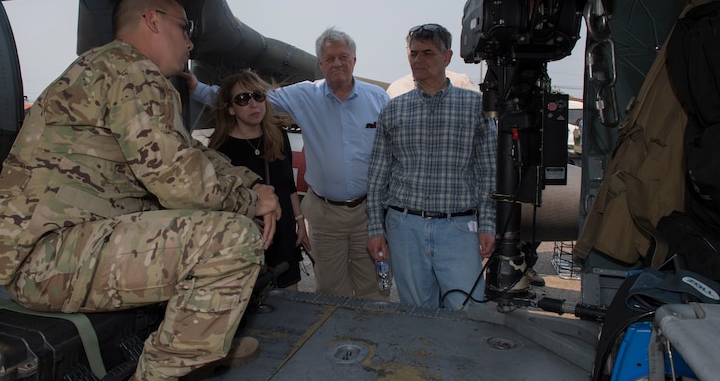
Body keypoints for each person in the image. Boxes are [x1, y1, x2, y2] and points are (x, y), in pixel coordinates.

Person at [0, 0, 281, 381]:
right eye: (186, 29)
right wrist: (251, 202)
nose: (191, 43)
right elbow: (179, 182)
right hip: (47, 258)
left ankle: (198, 347)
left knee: (197, 227)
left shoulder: (117, 69)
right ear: (153, 21)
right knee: (230, 238)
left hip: (71, 245)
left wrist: (252, 181)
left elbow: (187, 156)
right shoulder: (129, 70)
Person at [188, 27, 390, 299]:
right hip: (326, 215)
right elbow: (244, 98)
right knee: (330, 294)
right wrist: (194, 87)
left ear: (354, 59)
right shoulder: (304, 96)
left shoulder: (378, 99)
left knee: (374, 291)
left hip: (368, 214)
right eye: (329, 58)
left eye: (343, 56)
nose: (337, 63)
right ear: (320, 64)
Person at [366, 23, 497, 310]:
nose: (418, 60)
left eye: (427, 52)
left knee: (467, 312)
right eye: (413, 53)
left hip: (459, 229)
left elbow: (488, 173)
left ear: (447, 57)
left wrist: (487, 224)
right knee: (416, 314)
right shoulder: (393, 109)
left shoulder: (476, 107)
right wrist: (376, 228)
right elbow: (377, 177)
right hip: (405, 228)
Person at [209, 70, 311, 289]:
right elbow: (217, 199)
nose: (253, 104)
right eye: (243, 99)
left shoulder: (278, 136)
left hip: (283, 233)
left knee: (290, 303)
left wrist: (300, 221)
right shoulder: (220, 148)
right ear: (230, 108)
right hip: (247, 237)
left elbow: (288, 186)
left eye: (258, 96)